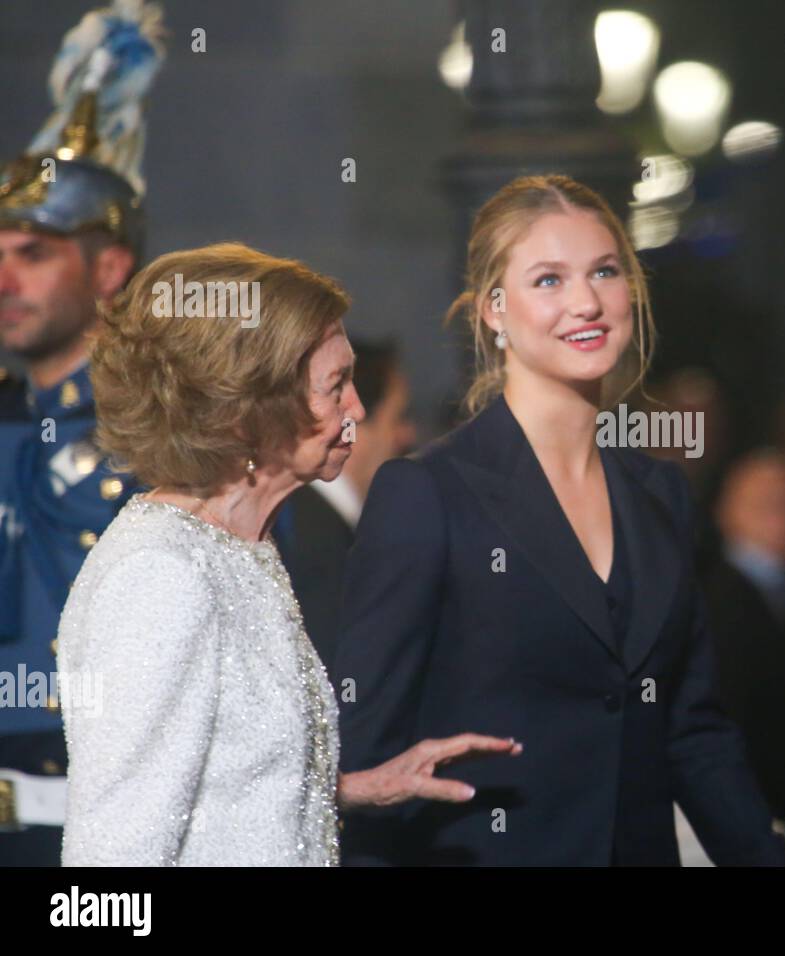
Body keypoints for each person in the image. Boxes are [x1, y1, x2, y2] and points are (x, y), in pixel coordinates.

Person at [333, 174, 785, 866]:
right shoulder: (427, 494)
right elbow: (366, 753)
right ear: (493, 310)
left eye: (604, 271)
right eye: (548, 279)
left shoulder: (660, 494)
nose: (586, 302)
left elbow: (692, 731)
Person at [57, 242, 520, 866]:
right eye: (336, 387)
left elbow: (224, 794)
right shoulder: (160, 575)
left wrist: (350, 789)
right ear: (246, 414)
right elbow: (111, 858)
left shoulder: (242, 548)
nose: (358, 411)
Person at [0, 0, 162, 864]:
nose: (3, 278)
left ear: (109, 267)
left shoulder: (171, 433)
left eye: (33, 253)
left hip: (107, 827)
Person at [280, 339, 416, 669]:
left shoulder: (306, 521)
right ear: (355, 427)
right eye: (396, 418)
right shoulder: (321, 542)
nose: (406, 436)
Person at [702, 450, 785, 843]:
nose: (782, 518)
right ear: (725, 512)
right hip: (757, 802)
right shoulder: (722, 601)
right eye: (765, 505)